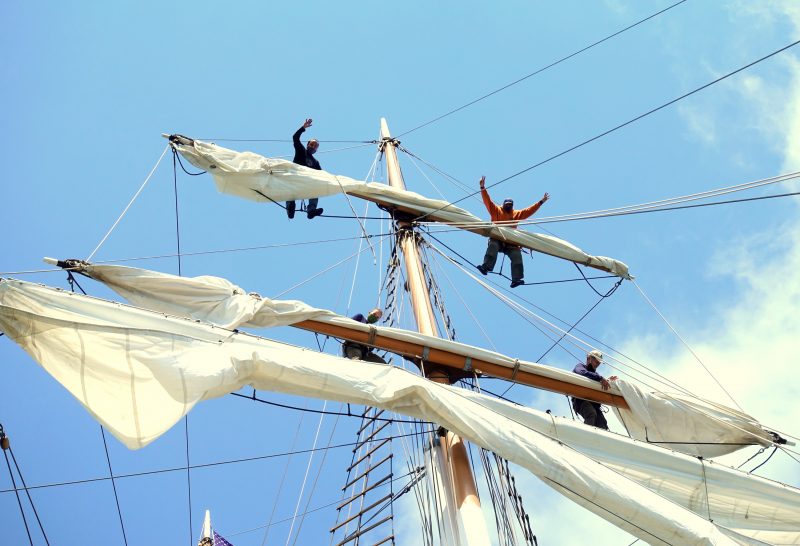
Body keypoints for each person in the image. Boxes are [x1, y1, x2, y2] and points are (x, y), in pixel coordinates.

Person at [475, 176, 549, 288]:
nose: (508, 206)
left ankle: (516, 279)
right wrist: (482, 187)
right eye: (507, 205)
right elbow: (487, 200)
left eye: (510, 205)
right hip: (498, 238)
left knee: (516, 256)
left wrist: (540, 202)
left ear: (512, 206)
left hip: (511, 242)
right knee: (493, 246)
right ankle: (486, 267)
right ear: (503, 204)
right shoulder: (496, 210)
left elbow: (528, 211)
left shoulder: (516, 214)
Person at [287, 118, 324, 220]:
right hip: (294, 178)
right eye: (312, 144)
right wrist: (303, 127)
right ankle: (290, 207)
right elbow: (295, 138)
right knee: (290, 190)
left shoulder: (316, 163)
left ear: (316, 150)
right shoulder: (301, 151)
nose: (313, 146)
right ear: (307, 144)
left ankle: (311, 210)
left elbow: (323, 175)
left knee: (316, 189)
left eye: (315, 146)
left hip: (306, 182)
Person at [571, 349, 618, 430]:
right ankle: (586, 435)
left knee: (603, 423)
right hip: (581, 400)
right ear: (589, 359)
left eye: (599, 363)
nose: (597, 365)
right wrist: (600, 378)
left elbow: (598, 382)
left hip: (593, 403)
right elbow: (581, 373)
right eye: (596, 362)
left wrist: (608, 381)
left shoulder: (596, 375)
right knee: (591, 413)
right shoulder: (580, 367)